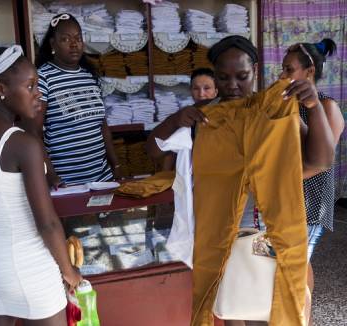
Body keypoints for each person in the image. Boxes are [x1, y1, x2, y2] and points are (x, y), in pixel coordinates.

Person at [146, 35, 337, 326]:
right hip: (219, 236)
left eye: (242, 76)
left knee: (268, 308)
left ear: (256, 71)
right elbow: (153, 148)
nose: (232, 85)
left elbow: (320, 161)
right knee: (231, 309)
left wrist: (313, 106)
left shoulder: (273, 112)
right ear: (215, 76)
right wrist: (175, 120)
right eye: (223, 77)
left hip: (267, 233)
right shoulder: (205, 118)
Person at [0, 36, 82, 325]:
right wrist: (68, 270)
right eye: (31, 86)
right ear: (0, 90)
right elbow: (47, 223)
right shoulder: (22, 144)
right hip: (26, 262)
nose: (39, 94)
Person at [280, 38, 344, 326]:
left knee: (297, 264)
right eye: (282, 68)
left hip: (311, 198)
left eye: (289, 69)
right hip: (288, 195)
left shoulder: (327, 107)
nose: (282, 75)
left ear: (309, 72)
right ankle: (305, 317)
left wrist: (275, 181)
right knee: (299, 264)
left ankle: (303, 318)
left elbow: (321, 162)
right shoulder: (284, 104)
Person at [22, 13, 121, 188]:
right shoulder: (43, 78)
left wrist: (115, 164)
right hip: (66, 183)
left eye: (78, 38)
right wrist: (50, 174)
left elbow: (102, 125)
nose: (74, 44)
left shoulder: (89, 75)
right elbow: (33, 131)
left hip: (102, 178)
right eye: (65, 39)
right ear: (53, 44)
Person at [160, 67, 218, 170]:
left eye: (207, 88)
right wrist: (165, 178)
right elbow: (171, 152)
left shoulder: (225, 117)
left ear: (216, 91)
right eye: (196, 89)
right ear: (191, 91)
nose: (201, 94)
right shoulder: (185, 118)